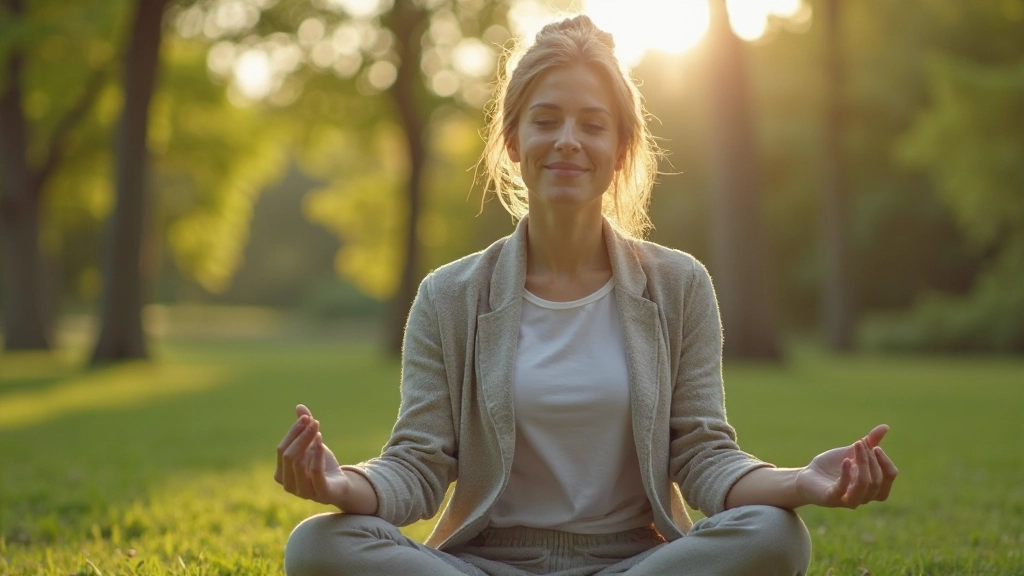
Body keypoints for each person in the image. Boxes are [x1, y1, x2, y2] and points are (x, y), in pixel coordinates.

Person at [275, 15, 898, 576]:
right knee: (317, 546)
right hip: (485, 565)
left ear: (620, 150)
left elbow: (706, 458)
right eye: (546, 120)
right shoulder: (450, 295)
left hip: (635, 562)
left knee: (774, 534)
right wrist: (340, 482)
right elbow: (416, 467)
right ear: (514, 142)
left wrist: (803, 482)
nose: (568, 139)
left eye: (593, 125)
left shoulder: (680, 286)